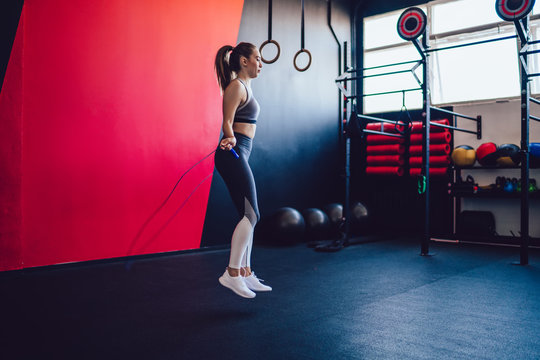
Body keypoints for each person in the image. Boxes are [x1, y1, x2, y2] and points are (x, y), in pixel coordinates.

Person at [213, 42, 272, 298]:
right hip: (232, 153)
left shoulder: (247, 86)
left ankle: (246, 272)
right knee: (252, 214)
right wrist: (230, 136)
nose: (261, 63)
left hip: (241, 152)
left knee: (248, 215)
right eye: (257, 58)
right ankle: (232, 273)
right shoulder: (236, 86)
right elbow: (227, 120)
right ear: (244, 61)